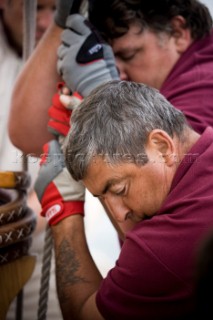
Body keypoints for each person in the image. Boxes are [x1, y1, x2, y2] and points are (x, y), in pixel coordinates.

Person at [34, 80, 213, 319]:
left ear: (161, 147)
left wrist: (62, 211)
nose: (118, 214)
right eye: (101, 197)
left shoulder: (162, 248)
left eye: (119, 190)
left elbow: (83, 314)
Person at [0, 1, 63, 319]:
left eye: (56, 7)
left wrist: (15, 226)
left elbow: (68, 167)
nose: (47, 21)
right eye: (37, 7)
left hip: (39, 249)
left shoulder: (68, 54)